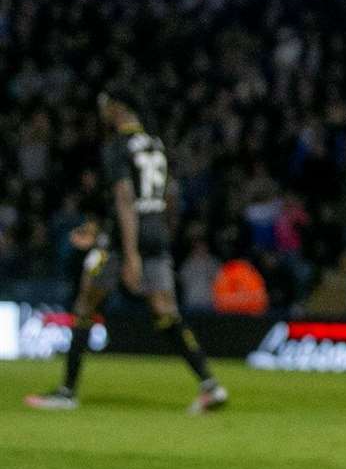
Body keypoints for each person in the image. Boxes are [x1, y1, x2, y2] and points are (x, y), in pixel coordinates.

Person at [26, 93, 227, 415]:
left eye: (105, 105)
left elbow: (123, 197)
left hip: (122, 241)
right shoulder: (155, 144)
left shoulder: (117, 147)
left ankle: (66, 392)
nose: (102, 111)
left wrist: (130, 254)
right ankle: (210, 385)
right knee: (165, 311)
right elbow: (170, 196)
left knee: (85, 304)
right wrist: (158, 234)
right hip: (155, 234)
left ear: (118, 108)